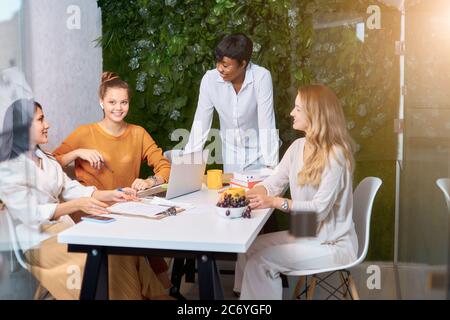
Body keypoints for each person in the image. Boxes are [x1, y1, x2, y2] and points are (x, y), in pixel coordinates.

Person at [0, 99, 167, 299]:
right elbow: (31, 213)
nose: (47, 125)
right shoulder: (8, 168)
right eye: (41, 120)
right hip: (37, 240)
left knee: (121, 248)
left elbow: (73, 189)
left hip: (65, 230)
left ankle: (152, 296)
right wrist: (76, 205)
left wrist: (114, 194)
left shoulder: (47, 160)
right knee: (105, 257)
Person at [233, 84, 358, 299]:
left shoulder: (336, 155)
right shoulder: (298, 147)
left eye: (298, 109)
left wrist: (275, 202)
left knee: (261, 262)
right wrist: (244, 195)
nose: (292, 112)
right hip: (308, 233)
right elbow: (274, 183)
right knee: (247, 249)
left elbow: (317, 211)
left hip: (333, 244)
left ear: (315, 114)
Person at [52, 72, 172, 289]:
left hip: (128, 207)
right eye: (112, 102)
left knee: (151, 245)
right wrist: (77, 152)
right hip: (93, 211)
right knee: (135, 246)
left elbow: (164, 165)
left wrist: (150, 181)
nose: (118, 108)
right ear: (101, 102)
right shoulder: (84, 133)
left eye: (124, 102)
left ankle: (162, 292)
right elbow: (51, 163)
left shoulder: (138, 133)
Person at [183, 33, 279, 173]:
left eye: (225, 65)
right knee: (233, 194)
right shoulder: (210, 80)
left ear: (243, 64)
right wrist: (186, 167)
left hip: (259, 156)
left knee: (256, 194)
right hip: (231, 156)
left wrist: (272, 168)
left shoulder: (261, 77)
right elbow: (200, 124)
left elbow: (267, 124)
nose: (219, 68)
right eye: (218, 62)